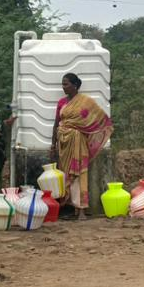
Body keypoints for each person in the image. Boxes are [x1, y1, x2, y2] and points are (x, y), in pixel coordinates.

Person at [49, 72, 113, 220]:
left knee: (80, 174)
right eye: (62, 84)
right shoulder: (61, 103)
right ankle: (71, 208)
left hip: (79, 143)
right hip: (64, 144)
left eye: (66, 84)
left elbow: (98, 120)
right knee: (66, 175)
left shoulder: (86, 102)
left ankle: (82, 210)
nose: (63, 87)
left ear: (75, 85)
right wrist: (53, 145)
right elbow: (56, 123)